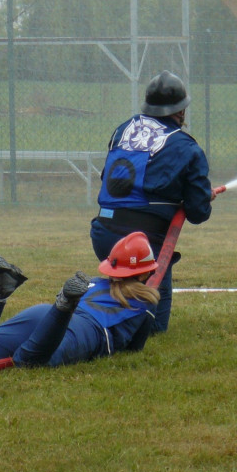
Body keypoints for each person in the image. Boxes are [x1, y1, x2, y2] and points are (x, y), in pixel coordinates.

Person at [91, 70, 215, 334]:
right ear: (181, 110)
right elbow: (198, 212)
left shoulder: (122, 129)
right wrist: (201, 196)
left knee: (121, 294)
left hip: (103, 233)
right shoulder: (186, 146)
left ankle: (102, 318)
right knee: (151, 327)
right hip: (144, 243)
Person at [0, 233, 160, 369]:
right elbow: (134, 349)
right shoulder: (145, 302)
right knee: (27, 362)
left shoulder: (94, 282)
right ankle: (65, 305)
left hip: (42, 315)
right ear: (146, 272)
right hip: (82, 330)